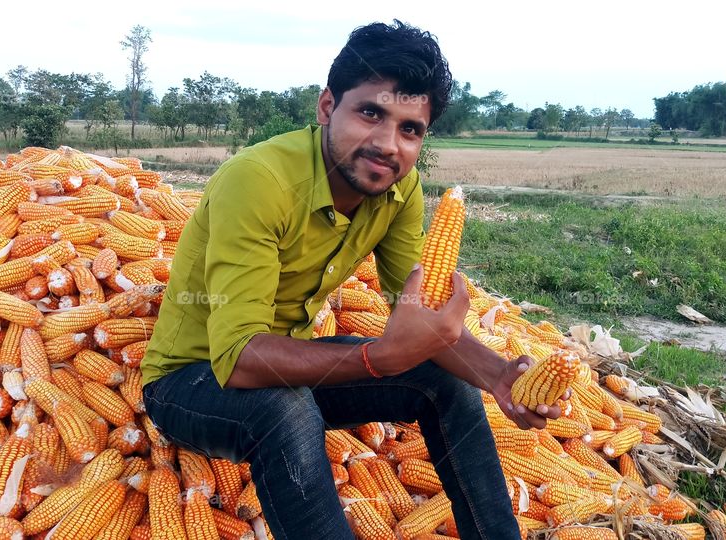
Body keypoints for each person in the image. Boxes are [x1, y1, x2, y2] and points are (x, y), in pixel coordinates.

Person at [141, 19, 563, 539]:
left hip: (286, 369)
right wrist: (377, 357)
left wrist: (499, 375)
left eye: (411, 129)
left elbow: (421, 320)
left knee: (444, 382)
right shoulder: (259, 182)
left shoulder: (400, 191)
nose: (389, 144)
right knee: (286, 411)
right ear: (326, 108)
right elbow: (238, 358)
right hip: (192, 380)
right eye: (371, 113)